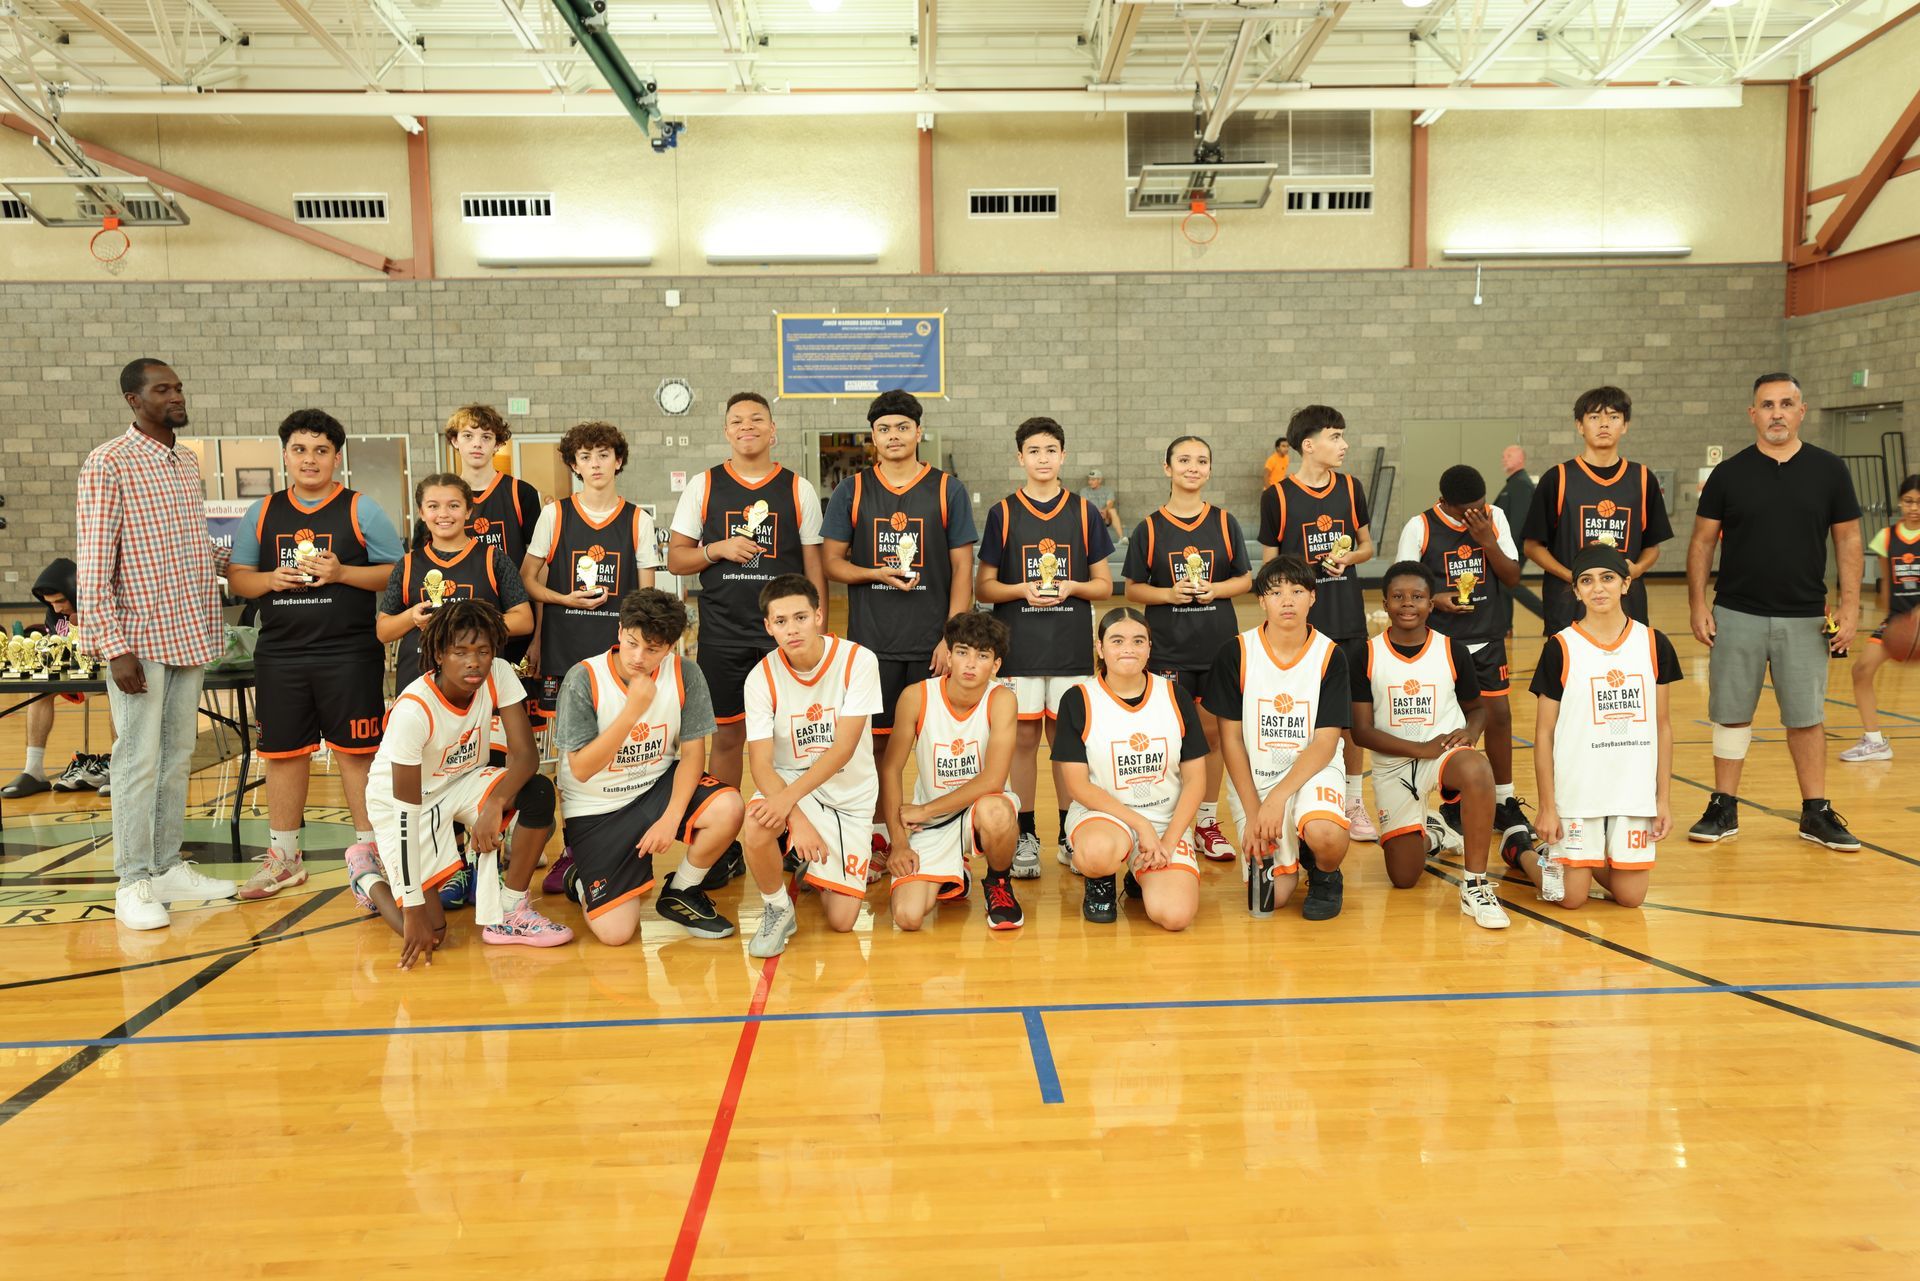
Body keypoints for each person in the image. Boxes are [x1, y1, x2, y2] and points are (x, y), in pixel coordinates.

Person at [77, 358, 239, 929]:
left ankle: (168, 866)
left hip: (188, 629)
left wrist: (245, 561)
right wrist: (111, 645)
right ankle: (133, 881)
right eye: (161, 389)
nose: (175, 395)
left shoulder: (183, 462)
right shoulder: (108, 463)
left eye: (178, 386)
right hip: (137, 639)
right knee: (138, 760)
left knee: (176, 761)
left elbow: (194, 542)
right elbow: (95, 562)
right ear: (133, 400)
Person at [226, 407, 403, 901]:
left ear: (336, 458)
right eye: (300, 450)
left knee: (357, 753)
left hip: (349, 651)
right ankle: (284, 858)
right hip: (280, 653)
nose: (310, 459)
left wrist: (343, 572)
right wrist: (268, 580)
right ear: (285, 455)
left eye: (320, 451)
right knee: (283, 754)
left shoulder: (360, 508)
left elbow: (399, 571)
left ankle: (371, 853)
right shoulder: (262, 512)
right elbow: (238, 576)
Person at [1687, 373, 1863, 850]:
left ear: (1802, 411)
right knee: (1730, 714)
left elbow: (1847, 539)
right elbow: (1702, 541)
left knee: (1806, 718)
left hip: (1806, 616)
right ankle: (1724, 806)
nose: (1777, 413)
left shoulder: (1829, 471)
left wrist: (1850, 605)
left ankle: (1816, 812)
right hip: (1737, 612)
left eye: (1786, 404)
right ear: (1753, 414)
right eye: (1767, 405)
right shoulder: (1729, 474)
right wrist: (1698, 602)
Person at [351, 601, 571, 967]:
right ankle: (367, 873)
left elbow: (526, 757)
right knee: (430, 934)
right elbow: (406, 817)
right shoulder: (413, 712)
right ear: (439, 653)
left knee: (538, 792)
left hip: (462, 781)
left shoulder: (499, 674)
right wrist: (414, 908)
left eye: (483, 651)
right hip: (403, 806)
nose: (474, 662)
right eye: (461, 652)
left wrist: (495, 803)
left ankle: (512, 912)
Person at [821, 389, 976, 872]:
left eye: (902, 428)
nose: (894, 436)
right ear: (873, 437)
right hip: (874, 646)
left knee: (943, 743)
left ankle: (943, 834)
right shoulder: (853, 490)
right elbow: (831, 564)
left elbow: (962, 570)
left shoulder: (947, 489)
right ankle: (871, 836)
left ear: (918, 432)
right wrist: (874, 573)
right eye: (884, 429)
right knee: (874, 746)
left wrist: (952, 638)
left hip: (934, 644)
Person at [555, 589, 745, 945]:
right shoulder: (582, 679)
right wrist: (632, 711)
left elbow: (692, 754)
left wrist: (671, 818)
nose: (639, 657)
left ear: (671, 646)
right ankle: (583, 877)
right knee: (616, 934)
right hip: (597, 805)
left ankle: (682, 890)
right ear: (620, 631)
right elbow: (580, 769)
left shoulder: (687, 674)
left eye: (653, 649)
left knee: (729, 806)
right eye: (632, 643)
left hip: (657, 784)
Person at [665, 392, 826, 795]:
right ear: (726, 432)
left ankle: (790, 834)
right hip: (724, 632)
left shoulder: (798, 488)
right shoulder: (704, 485)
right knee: (727, 736)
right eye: (737, 421)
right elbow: (676, 560)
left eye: (756, 419)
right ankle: (724, 842)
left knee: (795, 737)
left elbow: (814, 567)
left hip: (786, 635)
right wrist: (717, 548)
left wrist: (817, 629)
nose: (746, 427)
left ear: (773, 431)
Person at [974, 416, 1113, 877]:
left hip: (1070, 647)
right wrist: (1021, 591)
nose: (1043, 458)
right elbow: (986, 587)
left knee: (1066, 741)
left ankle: (1068, 832)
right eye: (1033, 451)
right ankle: (1026, 832)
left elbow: (1105, 586)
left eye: (1051, 450)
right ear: (1020, 458)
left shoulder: (1084, 511)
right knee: (1024, 740)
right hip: (1021, 646)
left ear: (1063, 456)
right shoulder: (1004, 512)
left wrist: (1072, 585)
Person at [1515, 545, 1679, 910]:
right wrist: (1546, 806)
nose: (1598, 588)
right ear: (1576, 591)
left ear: (1626, 584)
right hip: (1577, 793)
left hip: (1631, 791)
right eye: (1586, 581)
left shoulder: (1654, 644)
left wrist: (1662, 799)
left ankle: (1585, 862)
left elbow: (1663, 727)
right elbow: (1543, 734)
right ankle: (1523, 851)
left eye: (1607, 578)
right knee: (1569, 898)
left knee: (1631, 898)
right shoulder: (1560, 647)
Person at [1348, 562, 1510, 930]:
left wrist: (1469, 732)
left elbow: (1477, 710)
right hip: (1396, 763)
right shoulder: (1366, 654)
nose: (1408, 604)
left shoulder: (1452, 651)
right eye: (1399, 597)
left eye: (1418, 596)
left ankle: (1476, 884)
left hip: (1443, 754)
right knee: (1404, 877)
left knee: (1476, 768)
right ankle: (1434, 832)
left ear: (1431, 604)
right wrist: (1419, 749)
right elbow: (1360, 731)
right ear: (1385, 603)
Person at [1122, 435, 1252, 865]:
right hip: (1169, 650)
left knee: (1213, 735)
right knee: (1173, 738)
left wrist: (1213, 588)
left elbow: (1245, 581)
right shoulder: (1150, 527)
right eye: (1183, 460)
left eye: (1201, 461)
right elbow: (1133, 587)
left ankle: (1207, 822)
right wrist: (1168, 595)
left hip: (1217, 646)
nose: (1192, 467)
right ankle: (1168, 819)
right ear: (1167, 468)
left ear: (1209, 469)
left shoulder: (1225, 521)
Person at [740, 574, 884, 958]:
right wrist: (796, 817)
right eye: (782, 621)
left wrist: (789, 805)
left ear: (819, 615)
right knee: (755, 821)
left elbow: (843, 750)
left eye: (801, 617)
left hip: (849, 794)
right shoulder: (760, 678)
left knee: (842, 921)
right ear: (768, 627)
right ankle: (777, 907)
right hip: (790, 784)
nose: (793, 629)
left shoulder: (859, 661)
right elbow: (760, 764)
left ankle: (807, 864)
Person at [1395, 464, 1536, 855]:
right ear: (1444, 504)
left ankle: (1504, 801)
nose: (1475, 514)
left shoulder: (1495, 519)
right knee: (1451, 723)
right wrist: (1436, 598)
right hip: (1440, 643)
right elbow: (1402, 585)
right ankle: (1453, 802)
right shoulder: (1419, 527)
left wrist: (1486, 539)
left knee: (1499, 715)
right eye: (1465, 511)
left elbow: (1511, 577)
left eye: (1480, 506)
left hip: (1487, 637)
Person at [1208, 555, 1352, 921]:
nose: (1287, 600)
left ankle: (1325, 872)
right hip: (1256, 782)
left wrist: (1278, 800)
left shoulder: (1330, 656)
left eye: (1297, 590)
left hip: (1311, 772)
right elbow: (1231, 741)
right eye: (1276, 592)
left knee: (1326, 833)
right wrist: (1256, 810)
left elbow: (1325, 743)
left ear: (1313, 598)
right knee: (1270, 901)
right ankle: (1298, 849)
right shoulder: (1235, 653)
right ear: (1261, 601)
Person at [1257, 405, 1377, 841]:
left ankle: (1352, 799)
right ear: (1309, 445)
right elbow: (1269, 569)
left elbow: (1366, 545)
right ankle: (1287, 793)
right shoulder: (1279, 497)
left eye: (1343, 437)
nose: (1344, 445)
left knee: (1351, 720)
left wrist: (1348, 557)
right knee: (1298, 716)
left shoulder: (1350, 487)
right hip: (1299, 628)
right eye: (1336, 436)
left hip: (1346, 618)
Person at [1053, 607, 1208, 931]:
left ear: (1150, 647)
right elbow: (1078, 786)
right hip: (1104, 817)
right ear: (1100, 648)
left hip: (1165, 821)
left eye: (1138, 641)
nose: (1128, 649)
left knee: (1175, 916)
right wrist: (1141, 825)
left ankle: (1142, 874)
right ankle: (1101, 881)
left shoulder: (1174, 696)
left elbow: (1196, 780)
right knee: (1097, 852)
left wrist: (1169, 840)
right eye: (1117, 640)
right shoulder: (1078, 699)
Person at [877, 612, 1024, 930]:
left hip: (977, 811)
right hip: (930, 826)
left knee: (996, 810)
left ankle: (998, 883)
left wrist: (924, 809)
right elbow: (890, 769)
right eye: (962, 652)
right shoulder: (916, 696)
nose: (971, 664)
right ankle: (957, 871)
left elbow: (993, 780)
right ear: (948, 655)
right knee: (908, 917)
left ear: (995, 665)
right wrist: (899, 842)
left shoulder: (1001, 699)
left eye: (982, 655)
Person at [521, 418, 659, 719]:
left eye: (603, 454)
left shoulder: (639, 520)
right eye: (585, 457)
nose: (595, 464)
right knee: (570, 743)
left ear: (618, 460)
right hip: (562, 648)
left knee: (618, 735)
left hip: (617, 651)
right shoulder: (554, 515)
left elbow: (647, 599)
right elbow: (527, 580)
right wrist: (563, 600)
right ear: (574, 465)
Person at [1521, 387, 1674, 635]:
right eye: (1594, 417)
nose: (1604, 424)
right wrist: (1573, 576)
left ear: (1625, 425)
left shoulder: (1643, 479)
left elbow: (1652, 546)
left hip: (1627, 608)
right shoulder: (1558, 478)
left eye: (1613, 417)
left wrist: (1637, 569)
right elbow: (1532, 546)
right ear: (1579, 425)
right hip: (1569, 608)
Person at [378, 474, 533, 692]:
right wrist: (412, 616)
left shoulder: (494, 559)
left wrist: (471, 624)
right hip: (419, 681)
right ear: (422, 513)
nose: (443, 514)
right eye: (433, 506)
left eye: (453, 505)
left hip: (479, 681)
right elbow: (383, 631)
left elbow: (524, 620)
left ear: (468, 510)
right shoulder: (407, 564)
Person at [422, 404, 544, 665]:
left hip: (513, 628)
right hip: (455, 631)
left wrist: (540, 637)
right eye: (468, 436)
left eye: (486, 437)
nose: (477, 444)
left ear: (498, 444)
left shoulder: (520, 493)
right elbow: (423, 564)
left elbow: (540, 569)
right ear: (455, 441)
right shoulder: (438, 497)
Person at [3, 558, 114, 798]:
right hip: (78, 676)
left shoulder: (103, 604)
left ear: (76, 592)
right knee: (39, 689)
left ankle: (121, 768)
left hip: (112, 674)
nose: (55, 609)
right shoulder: (54, 614)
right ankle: (33, 771)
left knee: (119, 689)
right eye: (50, 603)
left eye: (60, 601)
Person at [1840, 474, 1920, 762]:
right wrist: (1893, 622)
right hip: (1899, 620)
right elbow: (1886, 583)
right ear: (1900, 502)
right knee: (1861, 670)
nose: (1914, 508)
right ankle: (1875, 742)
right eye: (1909, 501)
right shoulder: (1886, 537)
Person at [1493, 445, 1544, 625]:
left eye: (1509, 455)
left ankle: (1548, 616)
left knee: (1509, 584)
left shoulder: (1521, 484)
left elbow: (1518, 521)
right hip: (1511, 547)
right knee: (1504, 584)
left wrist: (1507, 550)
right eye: (1503, 455)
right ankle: (1506, 626)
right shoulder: (1514, 483)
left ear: (1520, 459)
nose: (1504, 458)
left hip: (1514, 547)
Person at [1081, 468, 1121, 538]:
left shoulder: (1108, 490)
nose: (1090, 482)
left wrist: (1105, 510)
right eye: (1089, 479)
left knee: (1112, 510)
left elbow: (1110, 503)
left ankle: (1121, 538)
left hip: (1105, 517)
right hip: (1091, 515)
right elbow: (1085, 504)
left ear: (1100, 480)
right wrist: (1097, 512)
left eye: (1093, 480)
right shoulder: (1084, 491)